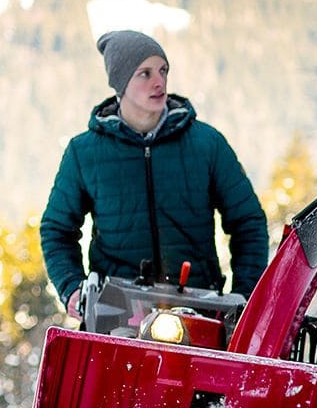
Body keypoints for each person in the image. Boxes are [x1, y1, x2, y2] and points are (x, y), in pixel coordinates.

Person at [40, 30, 269, 317]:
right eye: (144, 74)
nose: (159, 82)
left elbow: (248, 221)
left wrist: (245, 295)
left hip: (200, 312)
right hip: (115, 315)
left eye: (163, 70)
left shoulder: (207, 144)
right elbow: (57, 229)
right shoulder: (84, 153)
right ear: (121, 82)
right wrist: (72, 288)